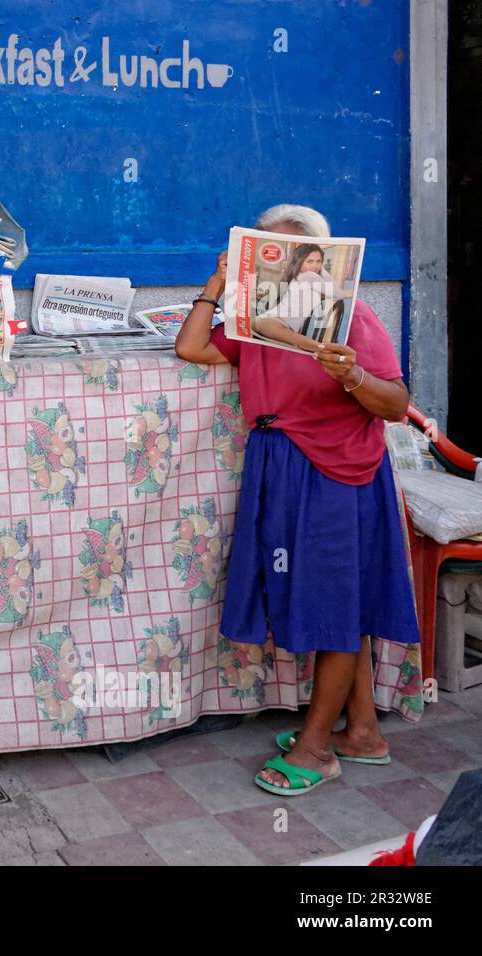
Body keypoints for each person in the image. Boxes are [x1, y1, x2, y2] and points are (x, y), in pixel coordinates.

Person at [175, 203, 419, 797]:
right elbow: (192, 349)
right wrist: (216, 284)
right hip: (281, 464)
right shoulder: (256, 321)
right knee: (339, 598)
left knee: (334, 604)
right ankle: (362, 732)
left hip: (339, 470)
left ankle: (316, 750)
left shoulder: (352, 318)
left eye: (304, 258)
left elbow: (395, 404)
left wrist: (353, 376)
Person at [252, 243, 336, 352]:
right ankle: (320, 348)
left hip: (282, 323)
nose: (315, 265)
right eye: (310, 261)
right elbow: (285, 298)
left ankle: (320, 348)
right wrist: (268, 294)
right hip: (277, 318)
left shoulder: (314, 279)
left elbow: (334, 294)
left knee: (261, 324)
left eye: (318, 261)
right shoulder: (297, 279)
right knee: (253, 322)